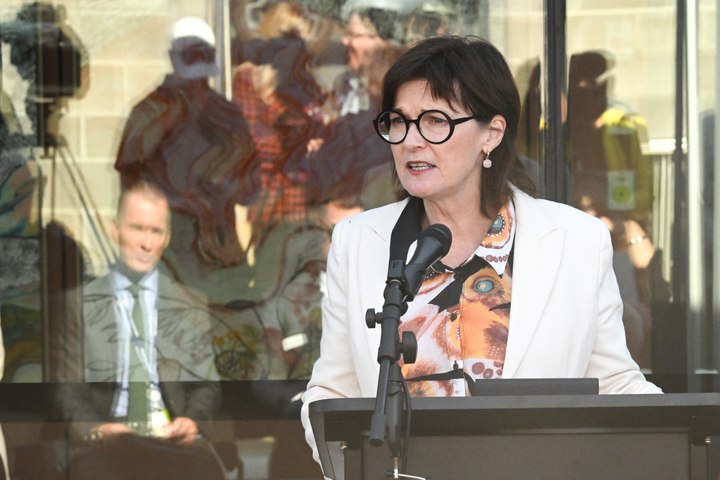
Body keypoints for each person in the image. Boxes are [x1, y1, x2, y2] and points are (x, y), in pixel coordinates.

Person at [300, 35, 662, 465]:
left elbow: (615, 384)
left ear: (491, 132)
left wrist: (689, 439)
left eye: (435, 120)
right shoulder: (357, 241)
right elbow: (331, 393)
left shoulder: (576, 240)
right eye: (399, 121)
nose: (411, 140)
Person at [57, 180, 221, 455]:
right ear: (115, 230)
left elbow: (207, 386)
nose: (146, 243)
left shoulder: (189, 302)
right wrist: (95, 430)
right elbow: (66, 390)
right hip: (104, 444)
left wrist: (191, 423)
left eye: (156, 231)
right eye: (136, 228)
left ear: (167, 237)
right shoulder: (79, 304)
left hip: (172, 441)